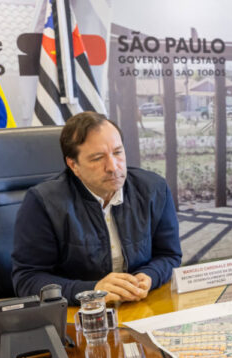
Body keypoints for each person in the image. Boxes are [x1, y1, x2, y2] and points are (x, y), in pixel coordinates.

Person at [12, 111, 182, 305]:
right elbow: (27, 279)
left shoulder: (154, 189)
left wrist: (150, 275)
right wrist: (92, 291)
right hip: (79, 314)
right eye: (98, 158)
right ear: (73, 165)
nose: (113, 167)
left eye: (117, 152)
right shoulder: (43, 202)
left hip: (140, 306)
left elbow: (169, 255)